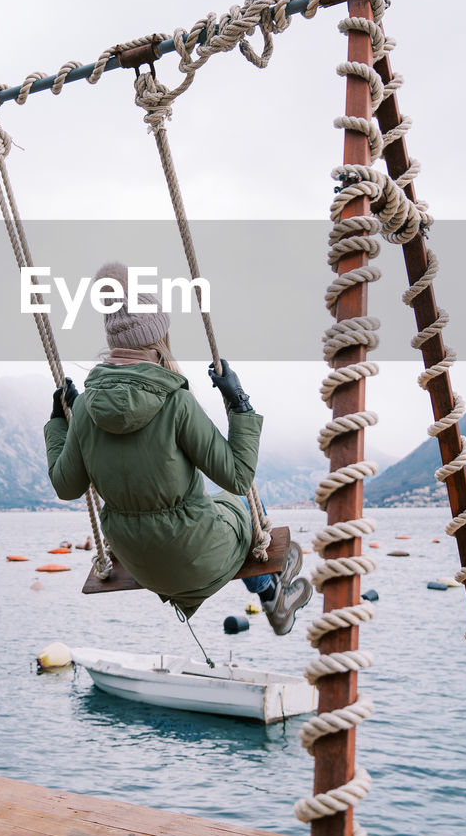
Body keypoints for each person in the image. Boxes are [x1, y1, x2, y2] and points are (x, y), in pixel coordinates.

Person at [43, 262, 312, 631]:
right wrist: (239, 403)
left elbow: (66, 487)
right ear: (159, 341)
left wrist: (60, 422)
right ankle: (271, 597)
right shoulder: (175, 402)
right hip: (195, 558)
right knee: (244, 504)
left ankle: (275, 594)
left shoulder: (87, 408)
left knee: (222, 510)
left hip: (142, 565)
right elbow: (237, 477)